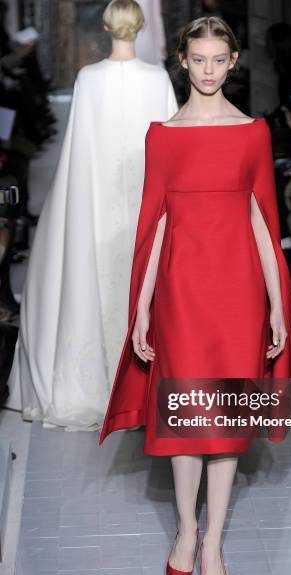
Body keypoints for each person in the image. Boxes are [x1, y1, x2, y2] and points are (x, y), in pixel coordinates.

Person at [99, 16, 291, 575]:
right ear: (182, 62)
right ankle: (186, 531)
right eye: (199, 60)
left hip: (238, 291)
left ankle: (213, 541)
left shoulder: (253, 133)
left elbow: (264, 221)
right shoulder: (162, 134)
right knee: (187, 414)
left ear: (233, 62)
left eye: (219, 60)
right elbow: (152, 228)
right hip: (181, 289)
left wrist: (278, 306)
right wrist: (141, 308)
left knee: (227, 419)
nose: (208, 70)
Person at [6, 0, 178, 430]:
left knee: (96, 275)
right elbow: (173, 141)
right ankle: (144, 385)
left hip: (96, 195)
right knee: (144, 279)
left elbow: (78, 149)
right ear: (139, 27)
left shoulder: (88, 78)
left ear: (106, 27)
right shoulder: (156, 78)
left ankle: (98, 386)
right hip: (144, 195)